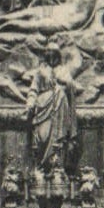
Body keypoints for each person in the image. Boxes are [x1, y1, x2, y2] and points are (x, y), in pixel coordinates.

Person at [25, 44, 77, 174]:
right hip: (43, 107)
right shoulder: (41, 70)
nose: (51, 56)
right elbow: (33, 89)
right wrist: (30, 103)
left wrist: (64, 82)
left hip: (60, 109)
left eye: (54, 53)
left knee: (59, 139)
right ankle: (41, 167)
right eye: (49, 53)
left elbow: (71, 87)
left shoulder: (63, 70)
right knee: (42, 136)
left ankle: (57, 167)